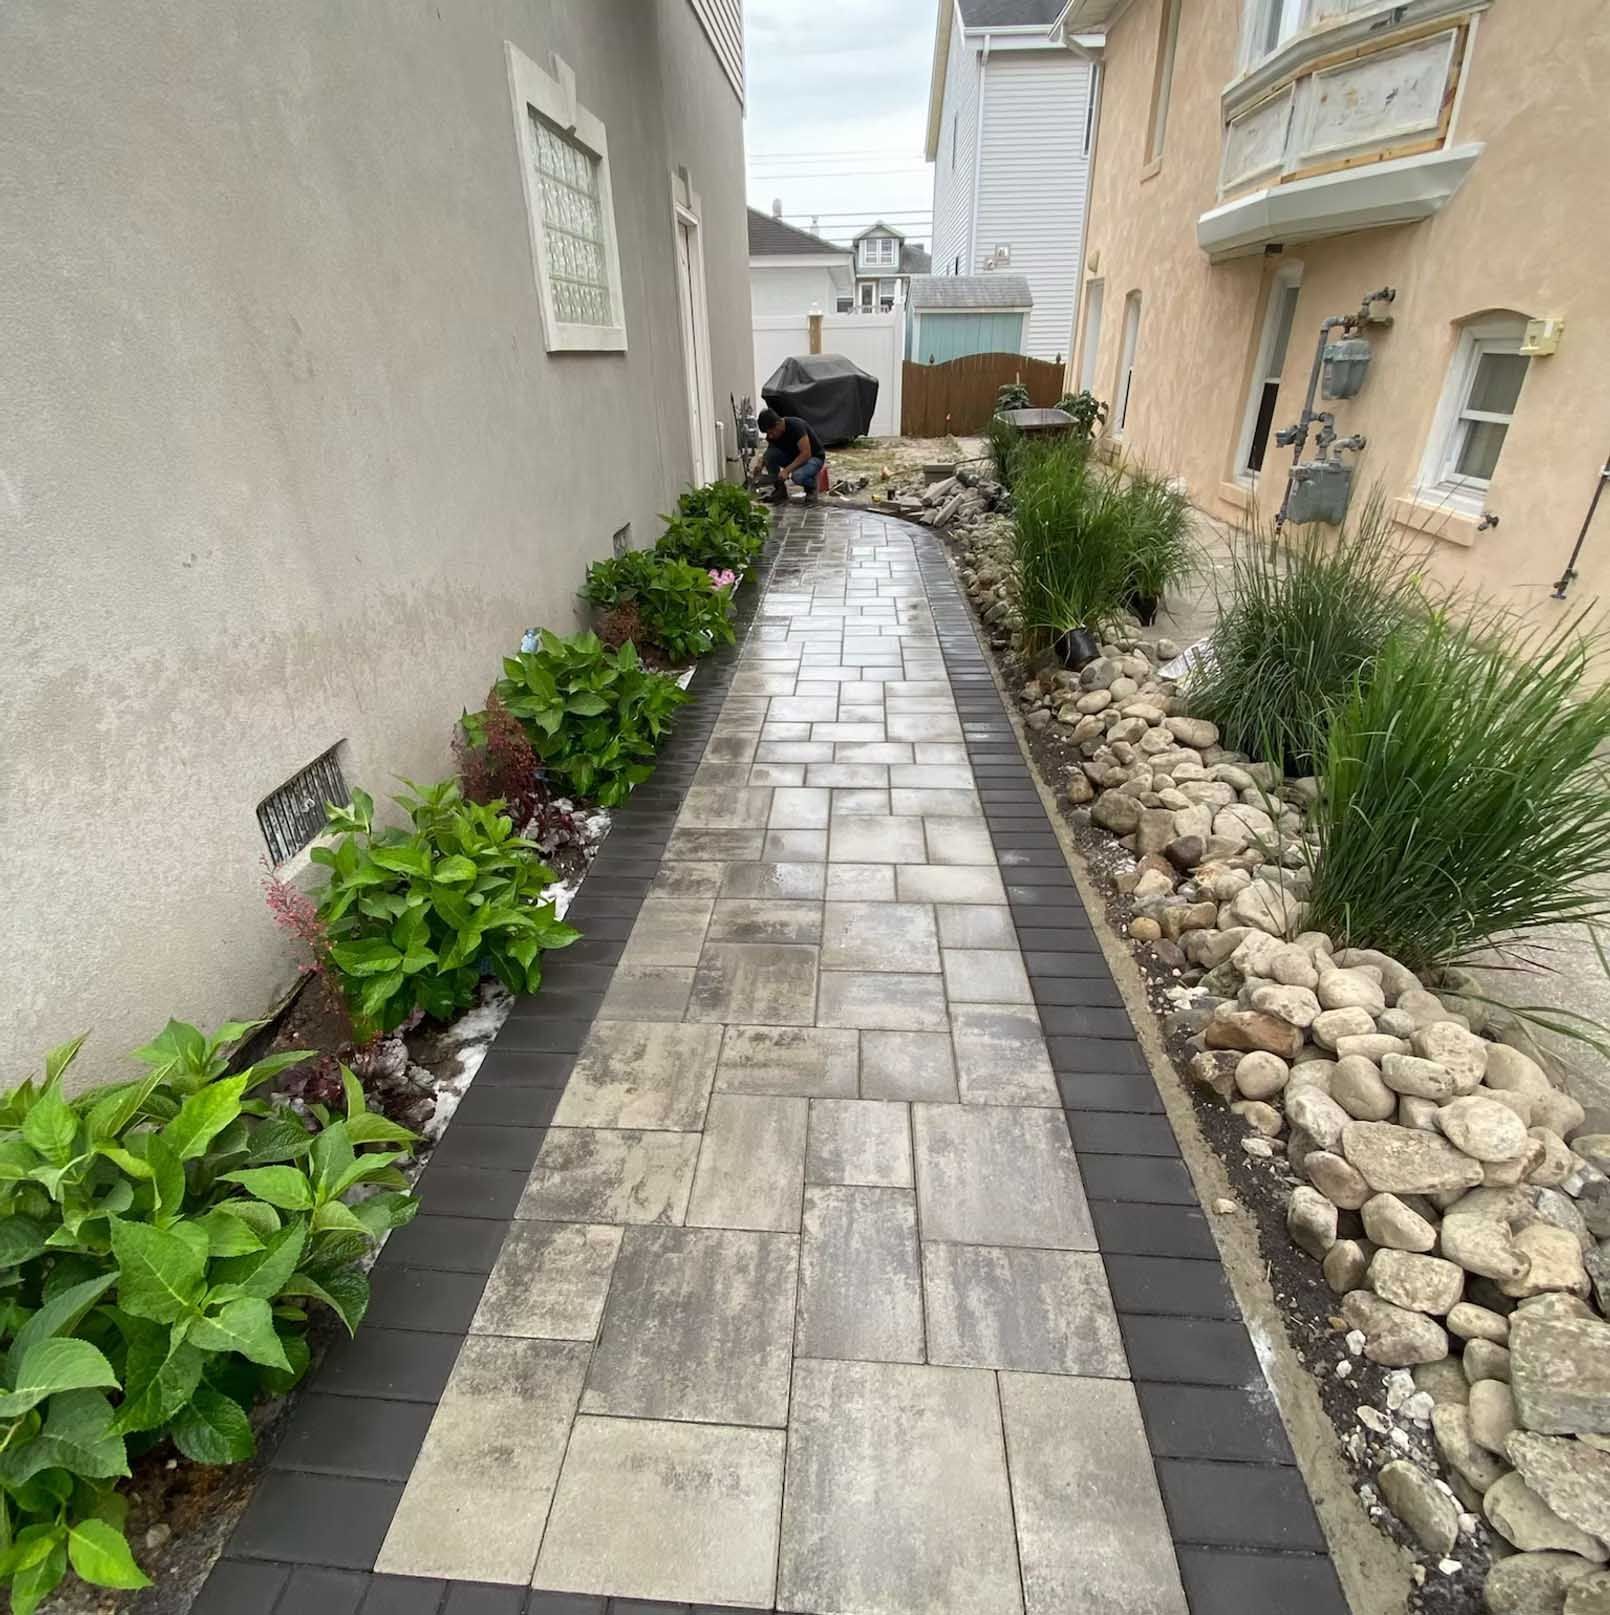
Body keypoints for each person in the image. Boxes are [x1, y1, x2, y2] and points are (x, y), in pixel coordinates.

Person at [755, 408, 825, 503]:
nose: (770, 436)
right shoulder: (773, 435)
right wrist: (760, 464)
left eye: (771, 432)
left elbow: (806, 453)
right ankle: (780, 490)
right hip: (793, 457)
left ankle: (811, 487)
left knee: (797, 476)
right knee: (769, 456)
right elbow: (769, 452)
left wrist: (786, 471)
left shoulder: (796, 426)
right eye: (768, 433)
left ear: (778, 424)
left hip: (813, 458)